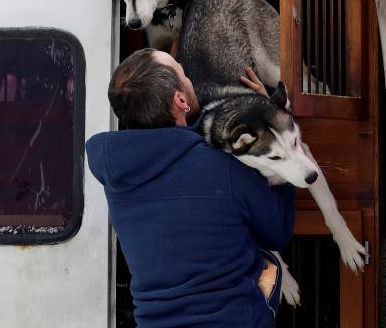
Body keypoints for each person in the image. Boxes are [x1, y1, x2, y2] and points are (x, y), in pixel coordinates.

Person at [86, 48, 295, 327]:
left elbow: (173, 151)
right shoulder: (227, 168)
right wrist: (276, 124)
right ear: (180, 99)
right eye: (183, 73)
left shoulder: (118, 175)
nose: (188, 76)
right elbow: (277, 232)